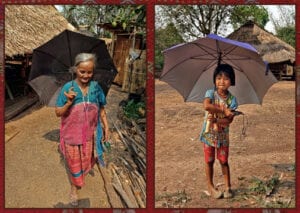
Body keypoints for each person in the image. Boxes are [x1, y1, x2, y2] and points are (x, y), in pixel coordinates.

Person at [55, 53, 110, 206]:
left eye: (89, 72)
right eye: (82, 72)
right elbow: (58, 112)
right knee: (74, 163)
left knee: (85, 161)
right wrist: (68, 102)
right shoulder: (68, 88)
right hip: (72, 136)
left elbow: (101, 109)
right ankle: (74, 188)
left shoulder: (96, 88)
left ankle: (80, 178)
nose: (86, 75)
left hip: (88, 136)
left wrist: (106, 126)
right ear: (75, 70)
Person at [199, 64, 238, 199]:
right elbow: (206, 106)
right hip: (208, 135)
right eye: (219, 78)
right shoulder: (210, 93)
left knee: (223, 161)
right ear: (214, 80)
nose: (222, 81)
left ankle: (228, 187)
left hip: (222, 136)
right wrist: (223, 110)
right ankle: (210, 186)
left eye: (226, 78)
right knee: (209, 160)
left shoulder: (232, 100)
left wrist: (217, 121)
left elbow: (229, 121)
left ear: (231, 81)